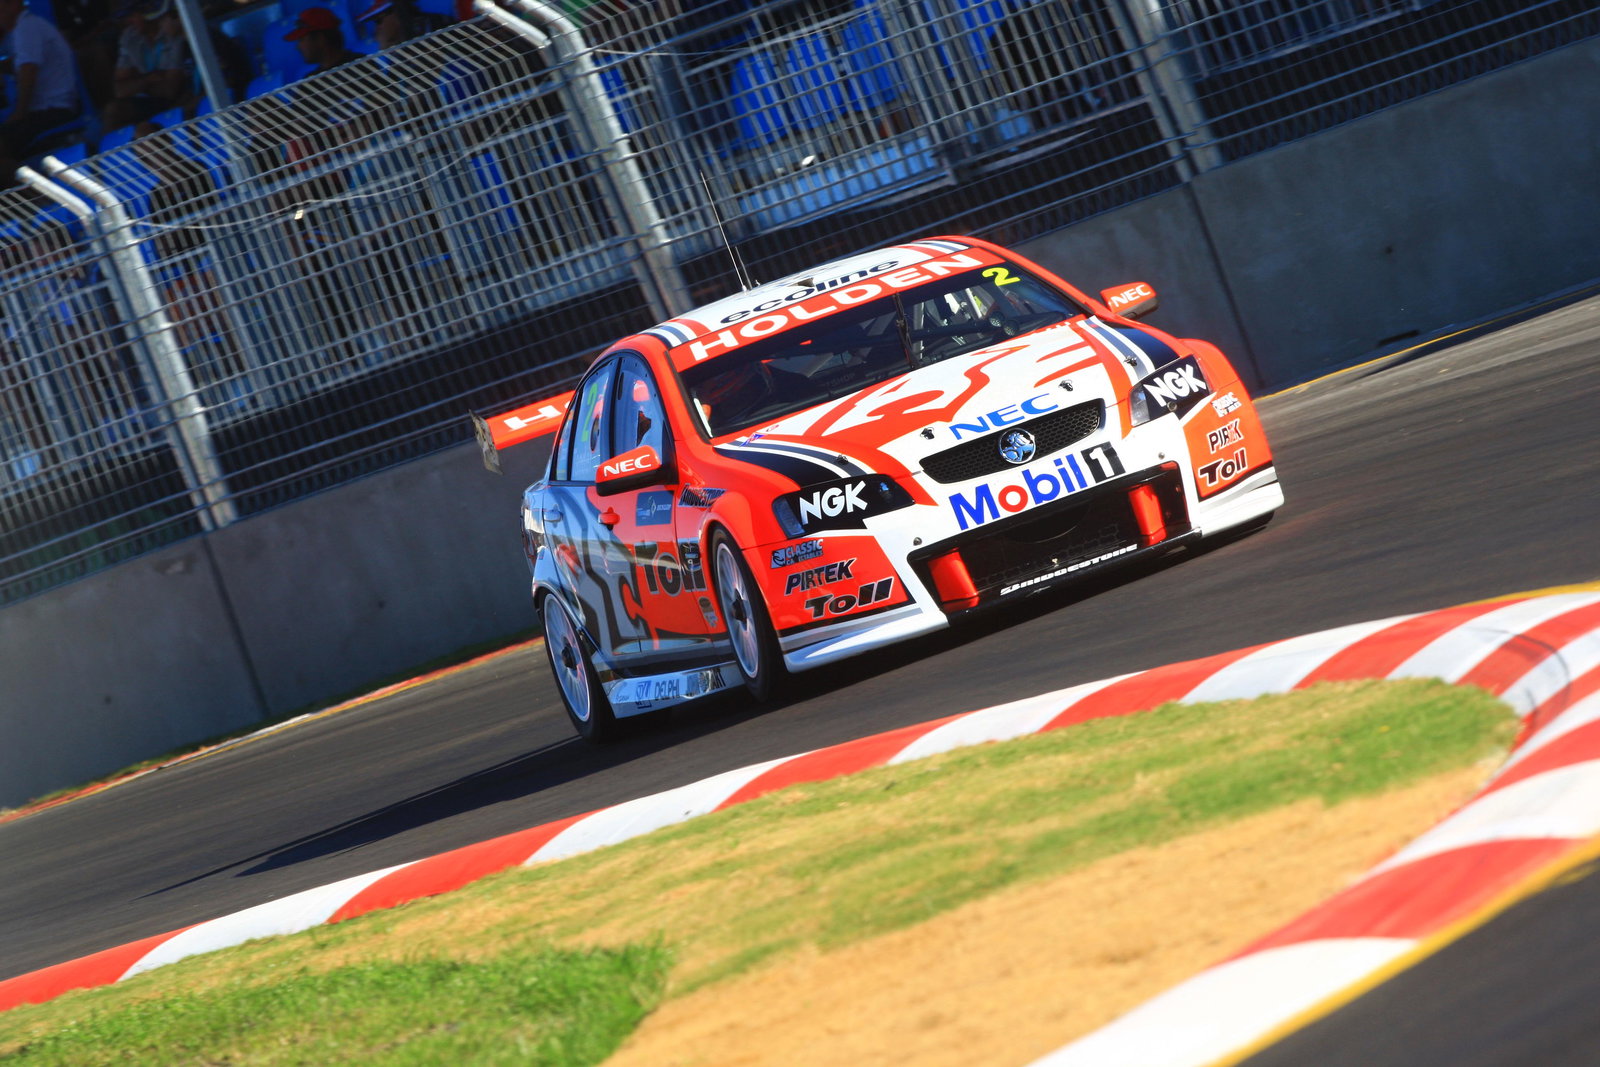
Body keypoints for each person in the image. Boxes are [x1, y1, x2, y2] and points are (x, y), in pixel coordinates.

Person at [0, 0, 82, 176]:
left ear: (13, 4)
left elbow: (28, 70)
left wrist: (19, 113)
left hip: (55, 110)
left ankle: (37, 196)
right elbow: (18, 63)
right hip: (46, 110)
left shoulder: (26, 27)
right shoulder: (22, 29)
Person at [103, 0, 186, 130]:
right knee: (113, 110)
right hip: (149, 99)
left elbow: (169, 90)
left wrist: (136, 84)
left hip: (181, 97)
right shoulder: (129, 36)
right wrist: (147, 80)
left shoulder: (171, 31)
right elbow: (119, 90)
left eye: (132, 16)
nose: (128, 21)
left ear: (147, 11)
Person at [284, 6, 360, 75]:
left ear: (320, 39)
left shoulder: (361, 65)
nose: (298, 47)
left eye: (301, 40)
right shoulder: (310, 83)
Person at [357, 0, 450, 50]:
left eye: (378, 21)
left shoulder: (435, 25)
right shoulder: (395, 47)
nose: (377, 29)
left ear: (397, 13)